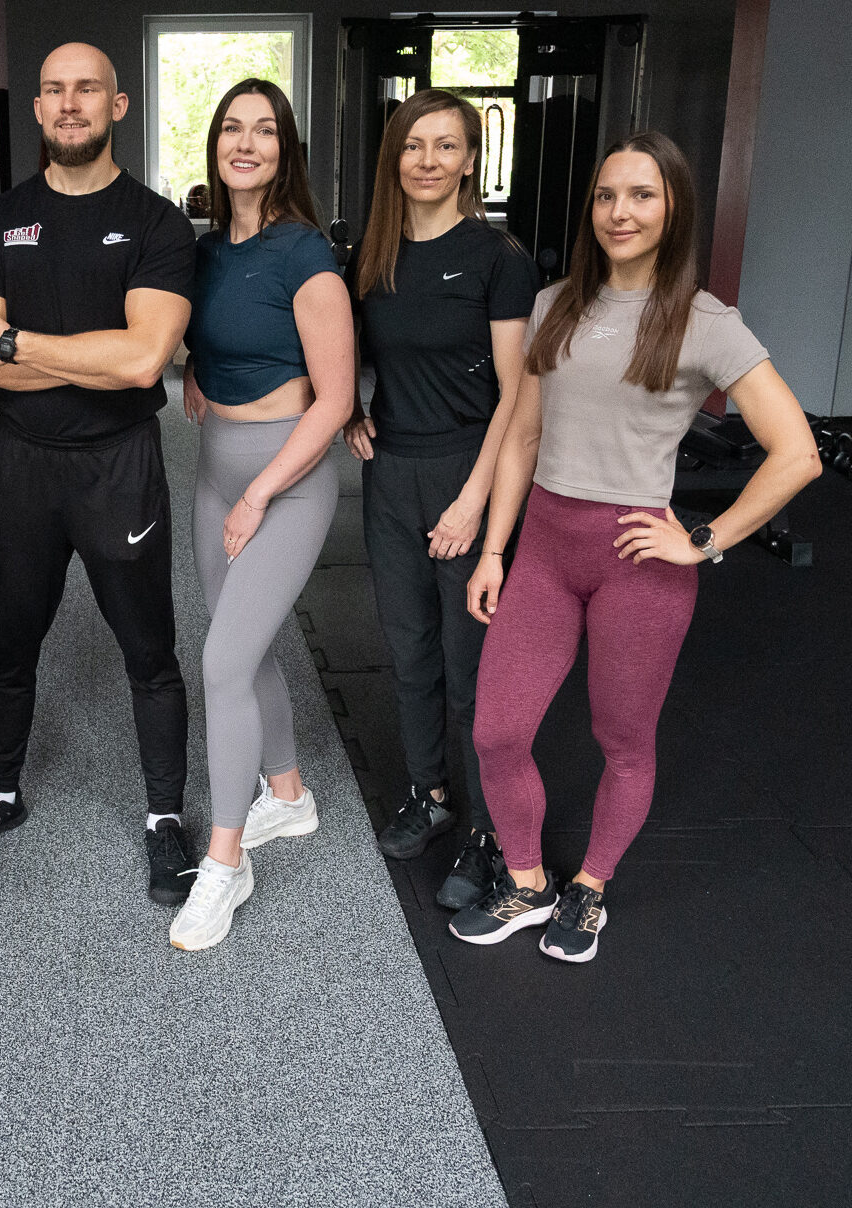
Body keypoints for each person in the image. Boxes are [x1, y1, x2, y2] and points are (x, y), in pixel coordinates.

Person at [451, 131, 821, 961]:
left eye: (643, 195)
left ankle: (590, 887)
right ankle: (528, 883)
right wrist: (495, 550)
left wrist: (704, 540)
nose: (621, 212)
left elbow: (798, 453)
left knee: (622, 740)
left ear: (673, 207)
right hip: (545, 552)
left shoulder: (704, 322)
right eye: (607, 195)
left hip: (638, 565)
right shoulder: (555, 304)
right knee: (498, 732)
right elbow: (522, 436)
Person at [0, 42, 198, 904]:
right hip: (19, 465)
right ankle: (0, 793)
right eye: (53, 89)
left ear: (117, 105)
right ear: (38, 107)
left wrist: (19, 343)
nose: (68, 102)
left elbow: (143, 362)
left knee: (149, 651)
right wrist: (90, 358)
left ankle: (164, 817)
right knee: (8, 645)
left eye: (86, 88)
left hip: (118, 465)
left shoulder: (157, 223)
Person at [341, 89, 539, 910]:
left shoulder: (498, 259)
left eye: (446, 145)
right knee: (409, 652)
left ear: (470, 161)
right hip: (390, 475)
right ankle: (430, 794)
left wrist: (474, 501)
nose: (428, 160)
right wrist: (351, 410)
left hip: (466, 469)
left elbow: (517, 396)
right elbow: (351, 352)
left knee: (471, 670)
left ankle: (489, 832)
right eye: (414, 145)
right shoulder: (372, 256)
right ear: (395, 158)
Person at [168, 80, 355, 950]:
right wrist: (198, 374)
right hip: (214, 470)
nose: (246, 143)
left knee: (221, 662)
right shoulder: (206, 251)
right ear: (215, 145)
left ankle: (225, 862)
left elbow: (336, 400)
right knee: (243, 648)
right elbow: (205, 335)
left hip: (289, 480)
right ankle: (289, 794)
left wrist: (258, 492)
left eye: (265, 130)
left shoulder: (304, 253)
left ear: (286, 150)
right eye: (233, 129)